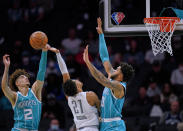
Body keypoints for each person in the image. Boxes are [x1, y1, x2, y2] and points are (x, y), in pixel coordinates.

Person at [83, 18, 135, 131]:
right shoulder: (112, 76)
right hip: (104, 124)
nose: (114, 68)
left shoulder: (119, 87)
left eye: (117, 69)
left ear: (121, 76)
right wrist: (101, 35)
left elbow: (101, 79)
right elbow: (105, 57)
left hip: (115, 126)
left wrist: (88, 63)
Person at [49, 47, 100, 131]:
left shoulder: (69, 98)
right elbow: (102, 110)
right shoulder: (90, 95)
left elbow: (64, 73)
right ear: (77, 87)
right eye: (75, 80)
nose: (76, 79)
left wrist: (58, 54)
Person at [1, 44, 50, 131]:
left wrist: (44, 52)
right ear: (17, 83)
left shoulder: (35, 91)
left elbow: (41, 72)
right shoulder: (15, 96)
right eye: (22, 77)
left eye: (26, 76)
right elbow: (4, 87)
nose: (26, 77)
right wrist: (6, 67)